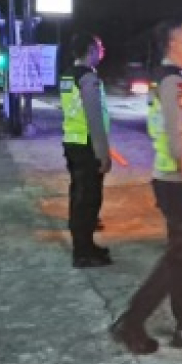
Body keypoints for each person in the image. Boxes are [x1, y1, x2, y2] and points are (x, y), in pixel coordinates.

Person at [110, 19, 182, 354]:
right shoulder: (174, 83)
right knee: (178, 259)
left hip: (180, 181)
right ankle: (131, 322)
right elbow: (177, 141)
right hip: (178, 184)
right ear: (174, 44)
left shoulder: (180, 80)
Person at [60, 32, 112, 268]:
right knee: (89, 200)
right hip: (87, 145)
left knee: (79, 197)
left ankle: (85, 246)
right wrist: (103, 153)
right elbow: (95, 119)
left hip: (72, 142)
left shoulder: (67, 76)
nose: (102, 51)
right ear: (90, 50)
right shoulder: (88, 78)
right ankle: (83, 252)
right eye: (99, 47)